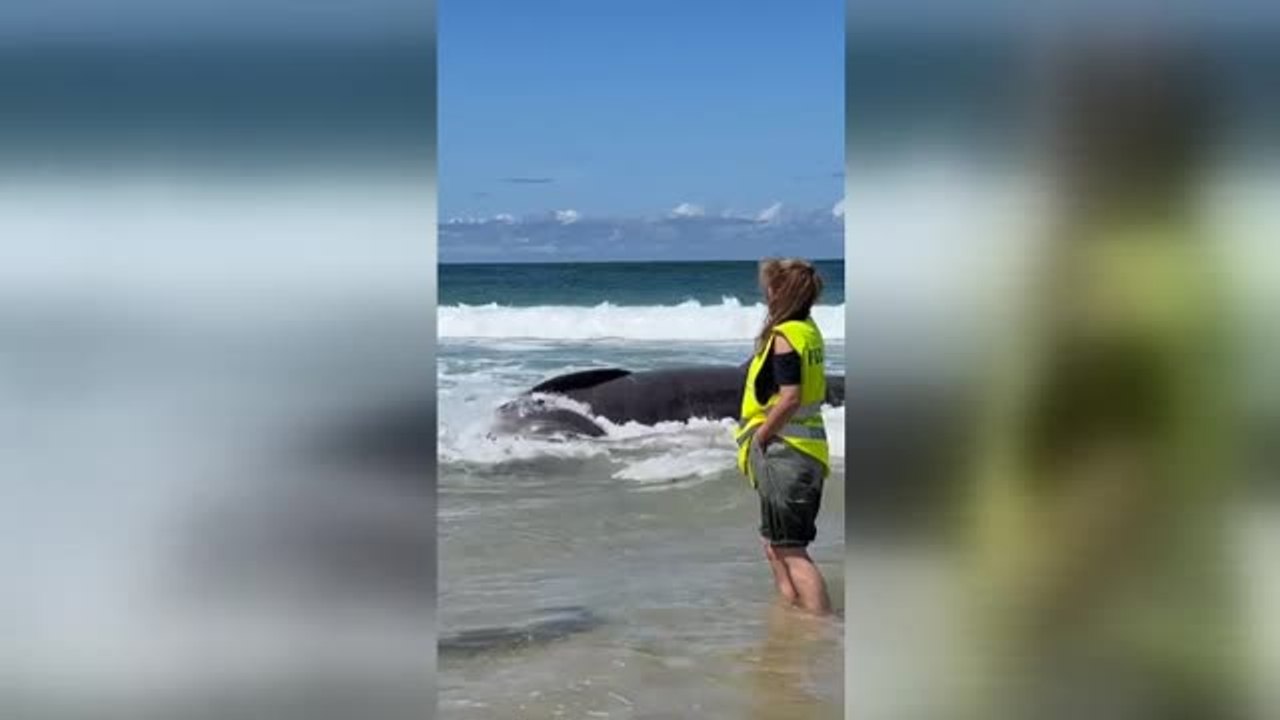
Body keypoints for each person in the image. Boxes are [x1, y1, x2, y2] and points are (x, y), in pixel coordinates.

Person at [735, 257, 832, 615]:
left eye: (769, 287)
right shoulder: (808, 329)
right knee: (774, 544)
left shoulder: (785, 337)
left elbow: (790, 397)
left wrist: (761, 436)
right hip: (806, 450)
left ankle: (821, 628)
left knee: (792, 550)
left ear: (780, 291)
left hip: (786, 453)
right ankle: (792, 613)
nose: (765, 293)